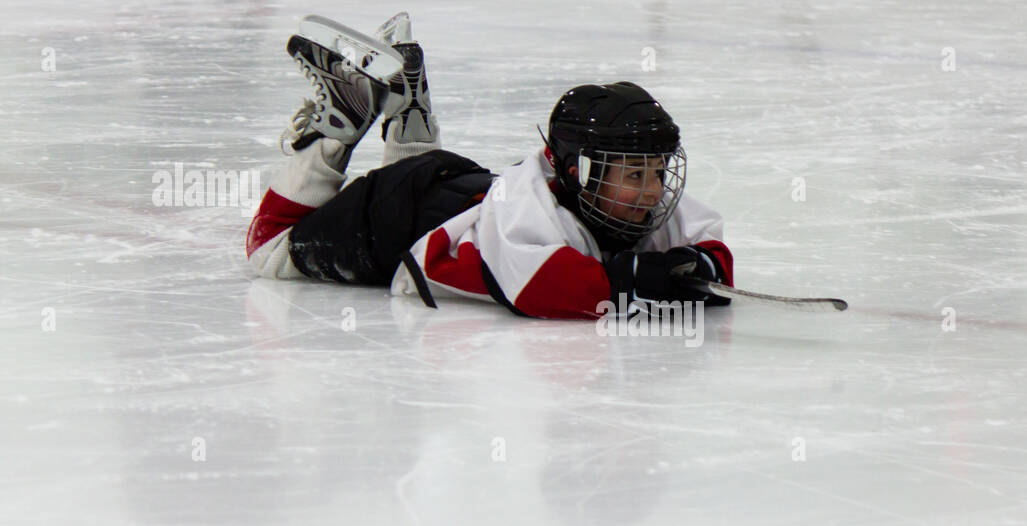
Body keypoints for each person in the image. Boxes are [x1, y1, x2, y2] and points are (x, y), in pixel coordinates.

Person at [245, 13, 734, 319]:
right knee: (267, 250)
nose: (653, 191)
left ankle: (409, 112)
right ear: (576, 173)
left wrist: (700, 266)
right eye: (634, 175)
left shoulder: (625, 198)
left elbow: (710, 243)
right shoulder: (531, 212)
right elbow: (543, 288)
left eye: (656, 172)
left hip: (445, 184)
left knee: (419, 179)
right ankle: (336, 127)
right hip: (387, 218)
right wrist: (639, 280)